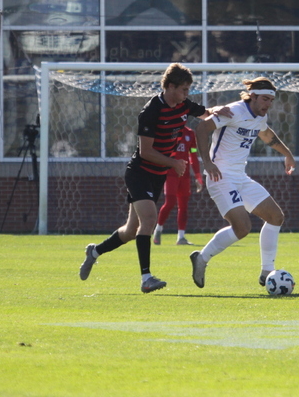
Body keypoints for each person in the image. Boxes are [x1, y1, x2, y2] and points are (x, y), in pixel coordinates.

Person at [79, 63, 230, 293]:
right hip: (139, 173)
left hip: (157, 175)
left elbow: (205, 112)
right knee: (149, 220)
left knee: (131, 231)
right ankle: (146, 278)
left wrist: (221, 110)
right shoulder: (151, 111)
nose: (187, 95)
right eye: (184, 90)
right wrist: (175, 162)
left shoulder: (184, 105)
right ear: (170, 87)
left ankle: (94, 252)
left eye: (188, 90)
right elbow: (146, 151)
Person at [189, 77, 296, 288]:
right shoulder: (233, 111)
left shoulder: (258, 116)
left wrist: (288, 154)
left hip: (240, 177)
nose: (268, 104)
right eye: (265, 99)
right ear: (253, 96)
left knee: (276, 216)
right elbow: (202, 129)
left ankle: (267, 272)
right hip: (220, 177)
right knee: (242, 227)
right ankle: (201, 258)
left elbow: (265, 133)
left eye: (271, 101)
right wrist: (208, 163)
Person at [152, 124, 204, 246]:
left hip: (184, 176)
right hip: (170, 174)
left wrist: (197, 175)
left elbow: (193, 154)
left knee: (183, 206)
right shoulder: (169, 131)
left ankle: (181, 237)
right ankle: (158, 229)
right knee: (170, 203)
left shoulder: (190, 134)